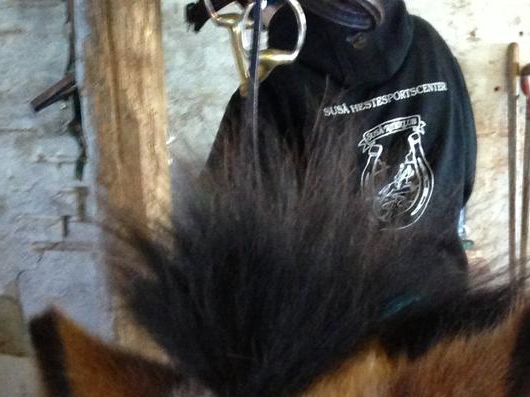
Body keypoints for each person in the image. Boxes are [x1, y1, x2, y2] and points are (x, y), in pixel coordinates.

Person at [195, 1, 477, 252]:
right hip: (444, 296)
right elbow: (464, 177)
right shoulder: (429, 45)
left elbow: (219, 237)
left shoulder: (268, 93)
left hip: (337, 307)